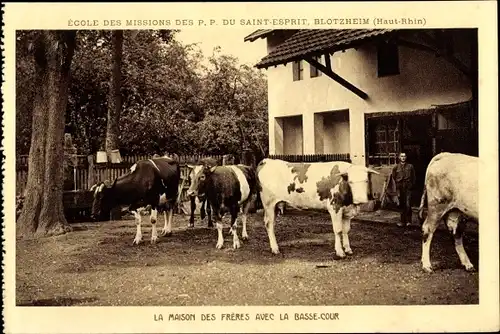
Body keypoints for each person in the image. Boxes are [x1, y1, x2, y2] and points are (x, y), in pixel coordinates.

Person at [392, 152, 416, 227]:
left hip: (408, 187)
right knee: (402, 205)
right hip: (400, 187)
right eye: (401, 156)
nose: (403, 157)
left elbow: (413, 177)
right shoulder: (396, 167)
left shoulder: (410, 166)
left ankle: (409, 221)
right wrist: (398, 184)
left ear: (406, 157)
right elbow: (394, 176)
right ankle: (402, 221)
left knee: (408, 204)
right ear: (399, 157)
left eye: (404, 156)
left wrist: (411, 185)